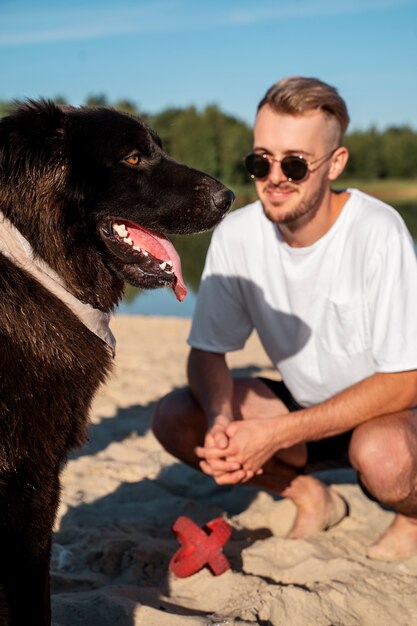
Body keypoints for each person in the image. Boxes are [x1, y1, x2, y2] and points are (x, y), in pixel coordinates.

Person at [151, 76, 417, 561]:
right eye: (260, 161)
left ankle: (411, 516)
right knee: (176, 417)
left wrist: (277, 434)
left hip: (392, 414)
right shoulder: (237, 236)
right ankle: (310, 495)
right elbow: (208, 351)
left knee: (385, 457)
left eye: (295, 163)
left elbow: (403, 382)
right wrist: (220, 418)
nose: (275, 178)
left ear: (335, 163)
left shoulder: (379, 231)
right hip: (306, 408)